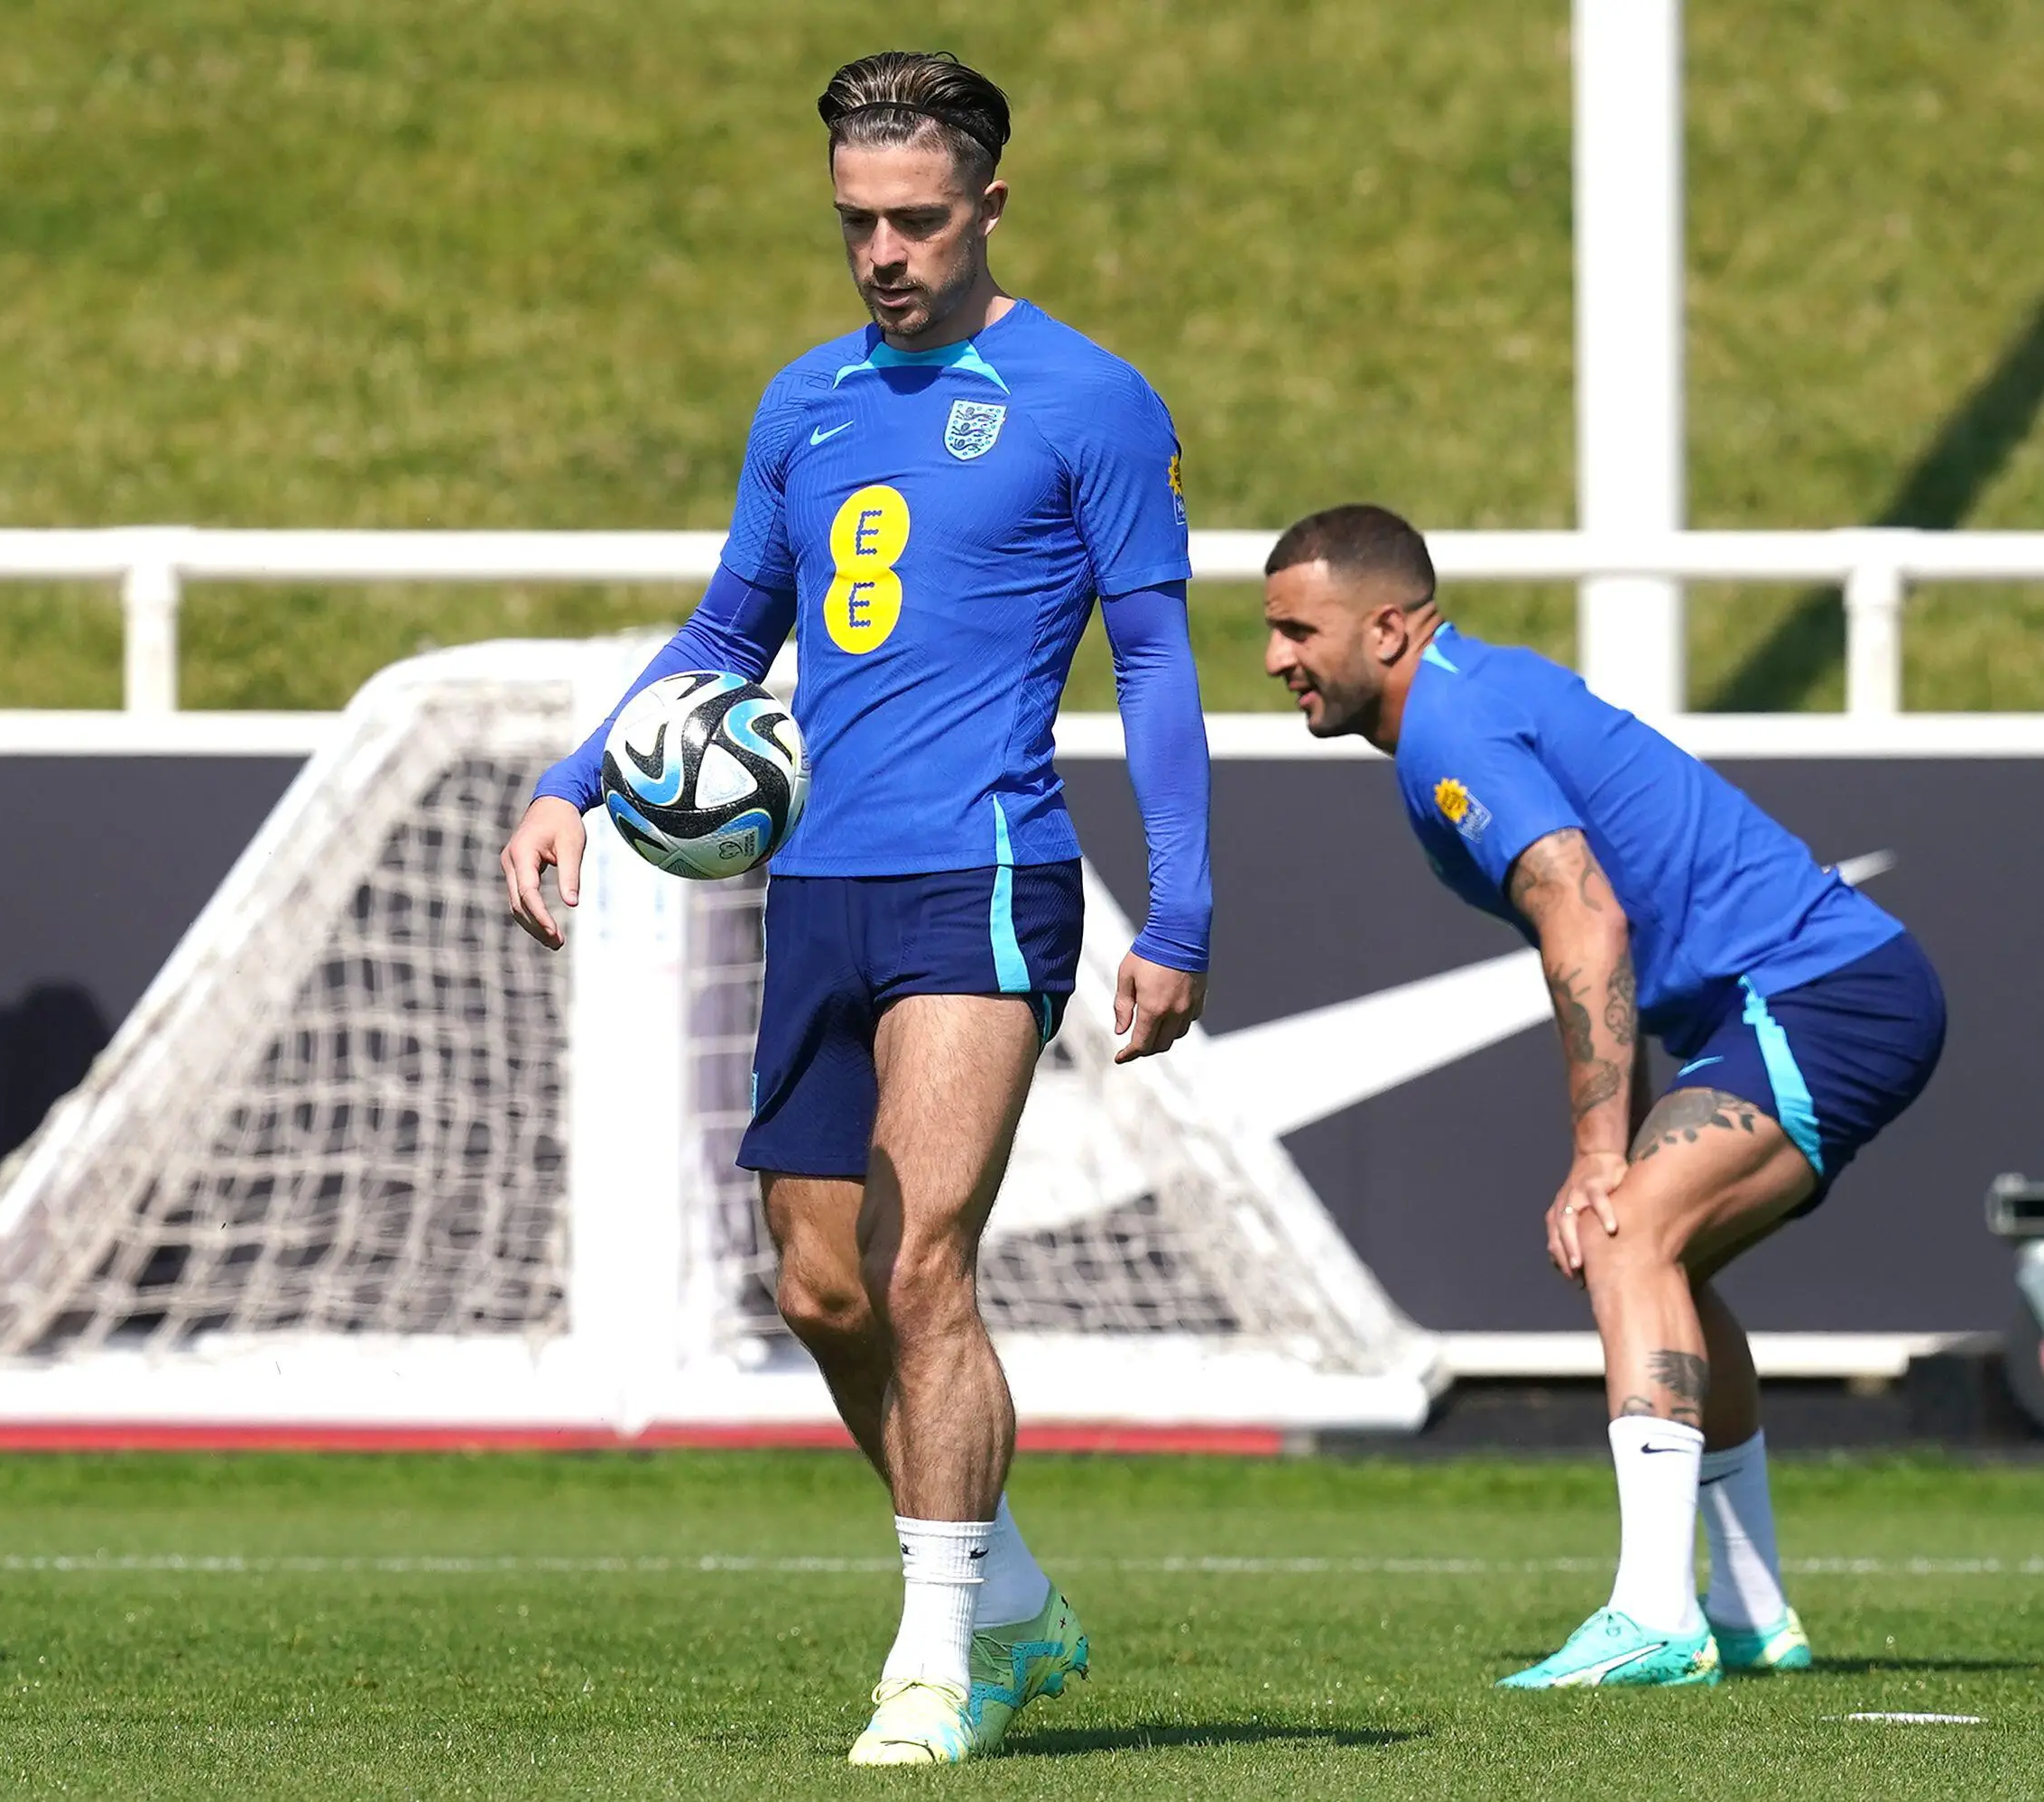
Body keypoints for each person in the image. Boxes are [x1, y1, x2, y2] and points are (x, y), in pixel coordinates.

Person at [501, 50, 1212, 1763]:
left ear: (987, 203)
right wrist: (573, 777)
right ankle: (1019, 1604)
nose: (883, 251)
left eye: (913, 219)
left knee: (923, 1268)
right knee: (820, 1290)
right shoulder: (803, 399)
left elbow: (1163, 659)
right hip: (811, 885)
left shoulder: (1086, 398)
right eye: (855, 224)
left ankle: (931, 1661)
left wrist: (1177, 913)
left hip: (984, 877)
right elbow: (726, 628)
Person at [1260, 504, 1944, 1689]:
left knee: (1625, 1226)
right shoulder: (1464, 703)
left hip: (1824, 995)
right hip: (1791, 1000)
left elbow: (1585, 916)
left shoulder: (1452, 725)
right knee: (1660, 1257)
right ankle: (1748, 1613)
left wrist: (1595, 1154)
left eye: (1294, 631)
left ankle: (1655, 1614)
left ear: (1387, 628)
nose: (1276, 659)